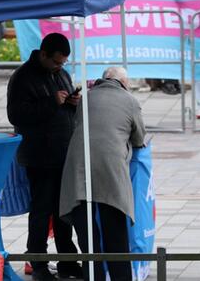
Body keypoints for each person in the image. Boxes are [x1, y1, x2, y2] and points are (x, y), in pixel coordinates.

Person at [60, 66, 145, 281]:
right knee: (115, 229)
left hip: (78, 168)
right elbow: (139, 138)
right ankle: (120, 278)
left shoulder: (85, 99)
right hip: (110, 169)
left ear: (103, 79)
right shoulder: (130, 101)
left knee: (87, 234)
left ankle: (93, 277)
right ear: (124, 84)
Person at [6, 33, 80, 281]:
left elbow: (64, 108)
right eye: (57, 62)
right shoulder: (22, 78)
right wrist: (51, 102)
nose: (60, 67)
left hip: (63, 152)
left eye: (63, 63)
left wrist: (72, 102)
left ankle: (67, 261)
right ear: (44, 54)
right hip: (39, 156)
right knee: (41, 210)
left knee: (64, 211)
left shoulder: (61, 74)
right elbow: (16, 115)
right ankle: (37, 262)